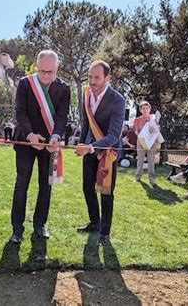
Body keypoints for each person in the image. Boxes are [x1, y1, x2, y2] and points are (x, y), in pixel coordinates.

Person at [10, 50, 70, 245]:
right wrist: (29, 135)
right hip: (26, 141)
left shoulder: (64, 89)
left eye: (50, 72)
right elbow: (20, 112)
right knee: (22, 184)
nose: (45, 76)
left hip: (49, 144)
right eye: (42, 71)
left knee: (46, 185)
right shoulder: (26, 84)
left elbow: (62, 117)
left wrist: (56, 135)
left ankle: (40, 225)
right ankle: (17, 229)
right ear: (37, 66)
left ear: (57, 68)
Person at [75, 60, 125, 245]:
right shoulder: (87, 93)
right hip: (89, 148)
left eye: (97, 77)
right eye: (89, 76)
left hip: (107, 152)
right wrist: (82, 142)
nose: (92, 81)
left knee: (106, 191)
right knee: (87, 187)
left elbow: (114, 134)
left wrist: (91, 147)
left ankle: (105, 232)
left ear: (107, 78)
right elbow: (86, 123)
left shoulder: (117, 100)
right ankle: (94, 223)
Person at [134, 101, 160, 185]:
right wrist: (140, 135)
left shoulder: (153, 119)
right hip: (141, 142)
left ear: (150, 109)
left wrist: (155, 129)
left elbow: (157, 130)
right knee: (140, 160)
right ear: (140, 110)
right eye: (143, 108)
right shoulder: (137, 120)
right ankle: (137, 177)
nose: (145, 110)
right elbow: (136, 131)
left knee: (151, 160)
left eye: (147, 108)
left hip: (151, 142)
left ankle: (152, 178)